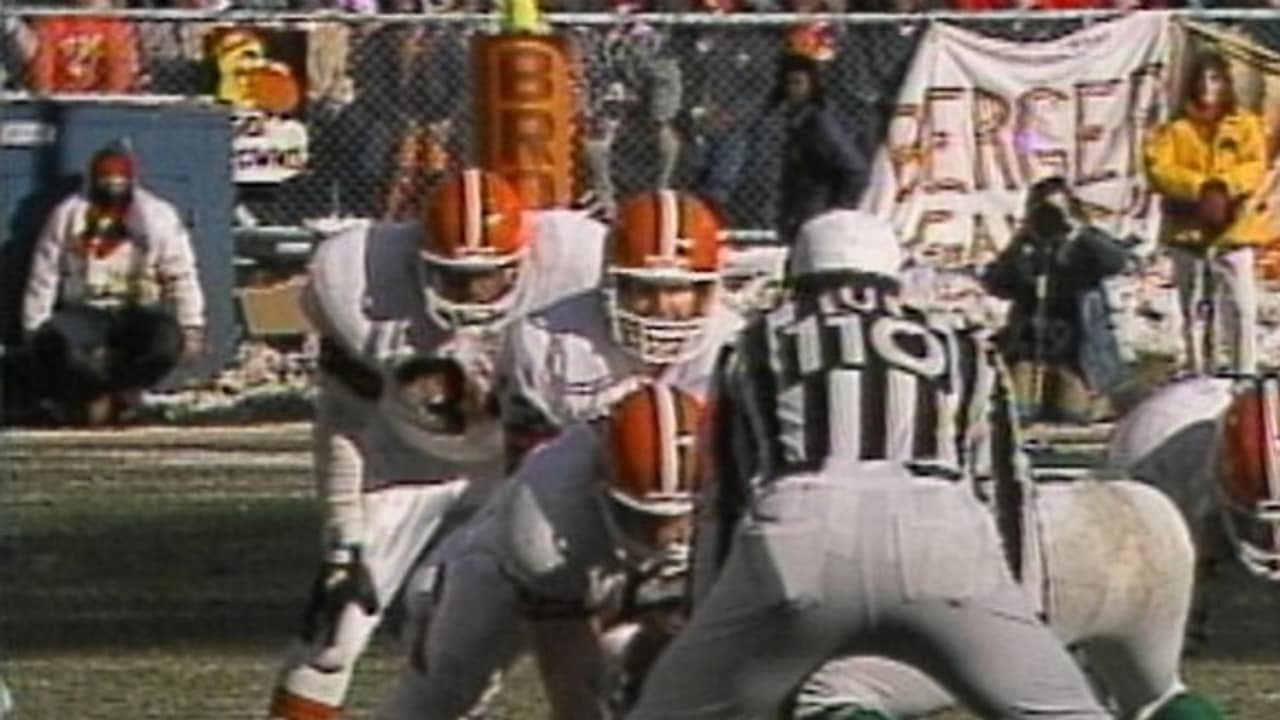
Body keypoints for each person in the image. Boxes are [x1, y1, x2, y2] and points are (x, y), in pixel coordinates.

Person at [624, 209, 1113, 719]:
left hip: (802, 531)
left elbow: (725, 496)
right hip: (941, 531)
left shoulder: (755, 343)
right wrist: (1022, 617)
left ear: (798, 276)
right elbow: (1005, 485)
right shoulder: (962, 346)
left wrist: (707, 618)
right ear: (892, 277)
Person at [266, 168, 606, 720]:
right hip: (404, 466)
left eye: (489, 276)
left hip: (518, 474)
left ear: (524, 260)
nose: (472, 293)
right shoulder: (360, 277)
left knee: (462, 637)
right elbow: (343, 420)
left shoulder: (576, 267)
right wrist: (343, 537)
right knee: (333, 630)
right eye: (453, 276)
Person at [378, 384, 704, 719]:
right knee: (446, 683)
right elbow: (568, 679)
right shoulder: (545, 516)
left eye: (679, 518)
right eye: (645, 520)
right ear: (601, 481)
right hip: (501, 573)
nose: (664, 538)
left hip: (608, 564)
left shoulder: (727, 473)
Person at [498, 188, 743, 468]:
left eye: (677, 289)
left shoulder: (734, 346)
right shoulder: (544, 341)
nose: (661, 306)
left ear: (706, 291)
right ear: (612, 284)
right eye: (643, 289)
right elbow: (531, 471)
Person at [18, 142, 205, 426]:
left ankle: (127, 393)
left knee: (166, 341)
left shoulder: (156, 216)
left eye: (119, 182)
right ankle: (94, 394)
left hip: (138, 310)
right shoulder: (68, 214)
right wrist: (34, 326)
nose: (113, 189)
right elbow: (44, 272)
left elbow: (180, 273)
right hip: (85, 308)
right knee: (56, 340)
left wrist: (192, 325)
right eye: (105, 182)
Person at [1144, 49, 1271, 376]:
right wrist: (1199, 187)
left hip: (1234, 229)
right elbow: (1159, 168)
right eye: (1201, 79)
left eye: (1214, 78)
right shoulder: (1175, 129)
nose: (1207, 86)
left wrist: (1225, 186)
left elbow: (1256, 165)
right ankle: (1198, 369)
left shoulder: (1245, 124)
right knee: (1193, 308)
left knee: (1241, 305)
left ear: (1226, 83)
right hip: (1188, 229)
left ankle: (1244, 371)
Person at [982, 176, 1134, 424]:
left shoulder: (1085, 243)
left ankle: (1095, 399)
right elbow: (995, 284)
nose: (1050, 219)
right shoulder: (1027, 245)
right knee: (1018, 410)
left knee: (1071, 414)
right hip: (1030, 344)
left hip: (1076, 346)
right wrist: (1022, 245)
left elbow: (1118, 262)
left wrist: (1077, 231)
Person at [773, 23, 868, 245]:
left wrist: (838, 213)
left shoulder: (819, 123)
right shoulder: (794, 119)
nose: (792, 89)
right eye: (789, 83)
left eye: (798, 83)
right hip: (797, 211)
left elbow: (855, 169)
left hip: (815, 213)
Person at [26, 0, 139, 94]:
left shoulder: (113, 25)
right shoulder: (49, 23)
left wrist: (109, 104)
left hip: (100, 105)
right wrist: (47, 102)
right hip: (58, 104)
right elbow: (42, 74)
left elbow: (119, 75)